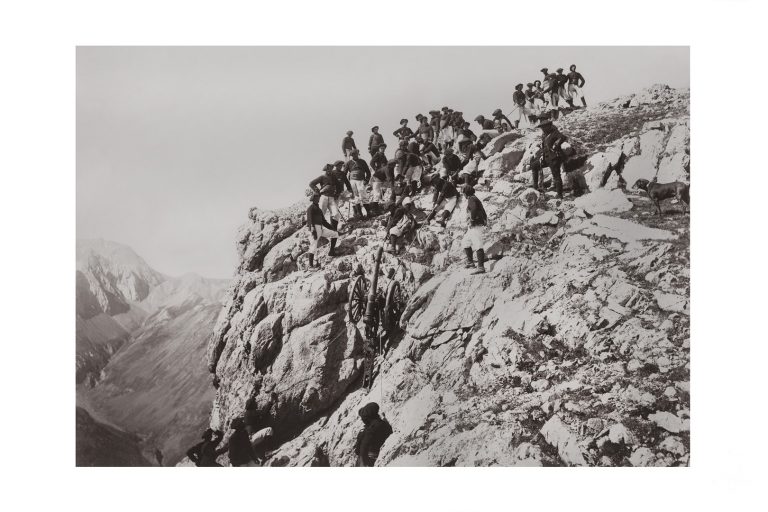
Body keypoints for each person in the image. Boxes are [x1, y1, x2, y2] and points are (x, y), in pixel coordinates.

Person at [309, 164, 350, 233]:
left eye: (331, 169)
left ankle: (334, 231)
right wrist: (317, 192)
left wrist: (337, 193)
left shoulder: (333, 177)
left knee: (336, 214)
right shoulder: (322, 177)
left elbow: (339, 186)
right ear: (326, 170)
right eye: (328, 169)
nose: (330, 171)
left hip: (331, 198)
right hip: (323, 197)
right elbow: (311, 184)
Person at [306, 191, 339, 267]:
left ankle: (331, 252)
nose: (318, 199)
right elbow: (309, 221)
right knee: (313, 247)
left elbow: (324, 222)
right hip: (314, 228)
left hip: (320, 228)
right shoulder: (310, 208)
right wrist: (313, 231)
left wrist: (332, 228)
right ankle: (310, 266)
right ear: (313, 199)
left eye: (318, 197)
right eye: (316, 197)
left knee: (335, 234)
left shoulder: (319, 209)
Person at [354, 402, 393, 467]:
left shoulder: (368, 430)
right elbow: (389, 430)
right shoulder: (384, 424)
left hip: (369, 459)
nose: (362, 419)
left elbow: (361, 449)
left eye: (363, 417)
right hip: (380, 453)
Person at [461, 184, 488, 275]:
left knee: (478, 244)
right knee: (465, 242)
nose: (463, 194)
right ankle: (470, 262)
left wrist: (472, 219)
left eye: (463, 193)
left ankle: (481, 267)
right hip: (473, 226)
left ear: (466, 193)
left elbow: (474, 209)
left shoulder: (471, 198)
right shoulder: (473, 198)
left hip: (476, 225)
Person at [538, 116, 567, 198]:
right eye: (542, 127)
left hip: (554, 157)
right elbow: (543, 147)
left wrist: (556, 144)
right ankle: (540, 188)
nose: (542, 129)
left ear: (549, 126)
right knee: (535, 166)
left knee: (556, 176)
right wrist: (542, 156)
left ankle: (559, 194)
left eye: (544, 127)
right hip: (547, 158)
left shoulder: (555, 133)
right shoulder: (544, 136)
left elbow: (563, 137)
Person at [344, 149, 372, 219]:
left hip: (361, 180)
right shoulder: (349, 163)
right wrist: (348, 183)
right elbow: (344, 174)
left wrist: (366, 180)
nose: (354, 156)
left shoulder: (362, 161)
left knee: (363, 195)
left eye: (355, 154)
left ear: (358, 154)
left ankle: (369, 213)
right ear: (351, 156)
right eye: (353, 155)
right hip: (352, 181)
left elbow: (368, 172)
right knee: (356, 197)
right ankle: (360, 214)